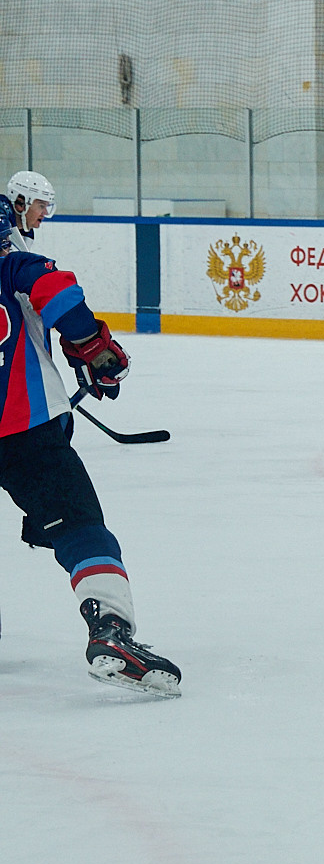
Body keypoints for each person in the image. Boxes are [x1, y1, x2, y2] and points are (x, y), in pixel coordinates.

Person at [0, 173, 179, 695]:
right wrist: (97, 354)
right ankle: (111, 632)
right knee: (79, 525)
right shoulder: (16, 264)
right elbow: (57, 293)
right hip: (25, 432)